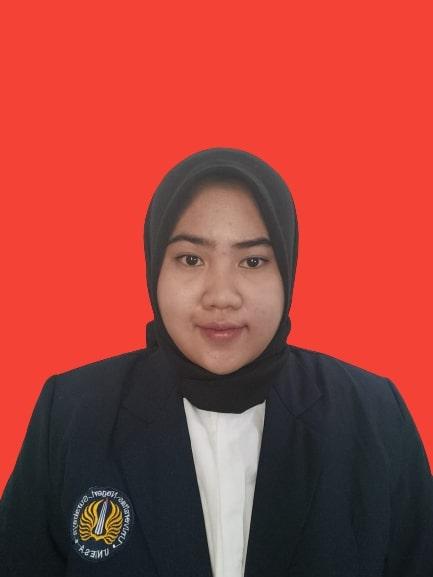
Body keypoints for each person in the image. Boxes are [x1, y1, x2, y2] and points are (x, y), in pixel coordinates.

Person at [1, 147, 432, 577]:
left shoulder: (374, 415)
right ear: (155, 267)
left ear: (287, 270)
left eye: (253, 261)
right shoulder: (73, 413)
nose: (221, 296)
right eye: (191, 259)